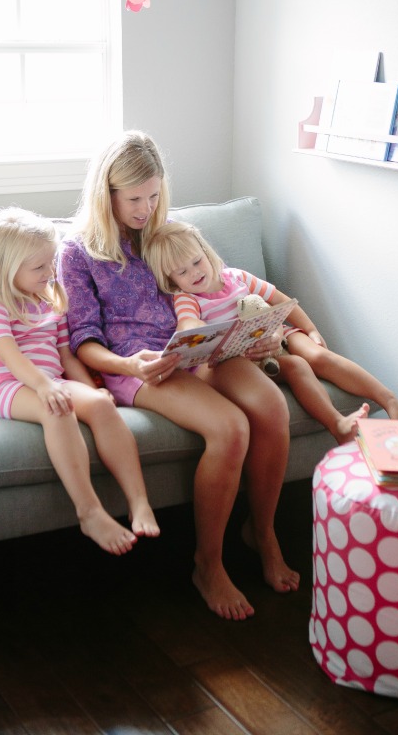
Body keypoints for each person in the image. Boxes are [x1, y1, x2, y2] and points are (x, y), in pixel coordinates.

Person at [57, 131, 298, 621]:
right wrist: (126, 365)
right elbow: (83, 339)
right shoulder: (77, 252)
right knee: (230, 428)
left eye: (153, 195)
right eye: (134, 200)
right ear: (107, 195)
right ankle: (208, 565)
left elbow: (220, 287)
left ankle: (263, 532)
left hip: (199, 346)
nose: (146, 209)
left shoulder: (168, 233)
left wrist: (253, 335)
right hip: (139, 364)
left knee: (271, 407)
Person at [0, 207, 160, 557]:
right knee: (57, 409)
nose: (49, 272)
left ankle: (139, 501)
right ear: (5, 268)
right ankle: (89, 511)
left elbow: (66, 356)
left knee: (101, 404)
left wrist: (90, 388)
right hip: (4, 387)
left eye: (51, 262)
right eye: (38, 267)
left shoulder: (49, 302)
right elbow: (11, 357)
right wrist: (44, 387)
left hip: (50, 380)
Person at [144, 221, 398, 440]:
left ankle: (390, 400)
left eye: (196, 262)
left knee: (317, 356)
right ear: (171, 280)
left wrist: (310, 330)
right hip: (243, 360)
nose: (193, 273)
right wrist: (196, 330)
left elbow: (281, 301)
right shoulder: (187, 298)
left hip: (274, 333)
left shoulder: (236, 277)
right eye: (181, 272)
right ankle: (337, 424)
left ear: (205, 252)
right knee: (297, 367)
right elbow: (188, 323)